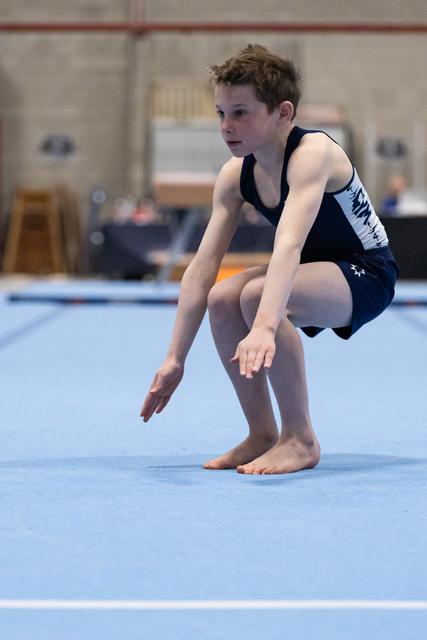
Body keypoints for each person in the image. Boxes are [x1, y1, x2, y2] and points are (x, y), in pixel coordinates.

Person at [140, 44, 399, 475]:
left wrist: (263, 326)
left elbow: (288, 246)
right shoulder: (235, 174)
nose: (227, 126)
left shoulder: (312, 153)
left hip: (367, 271)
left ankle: (300, 438)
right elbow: (203, 268)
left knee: (257, 296)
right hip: (314, 268)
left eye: (241, 113)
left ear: (283, 112)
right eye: (221, 113)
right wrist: (175, 357)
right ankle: (261, 434)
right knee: (224, 297)